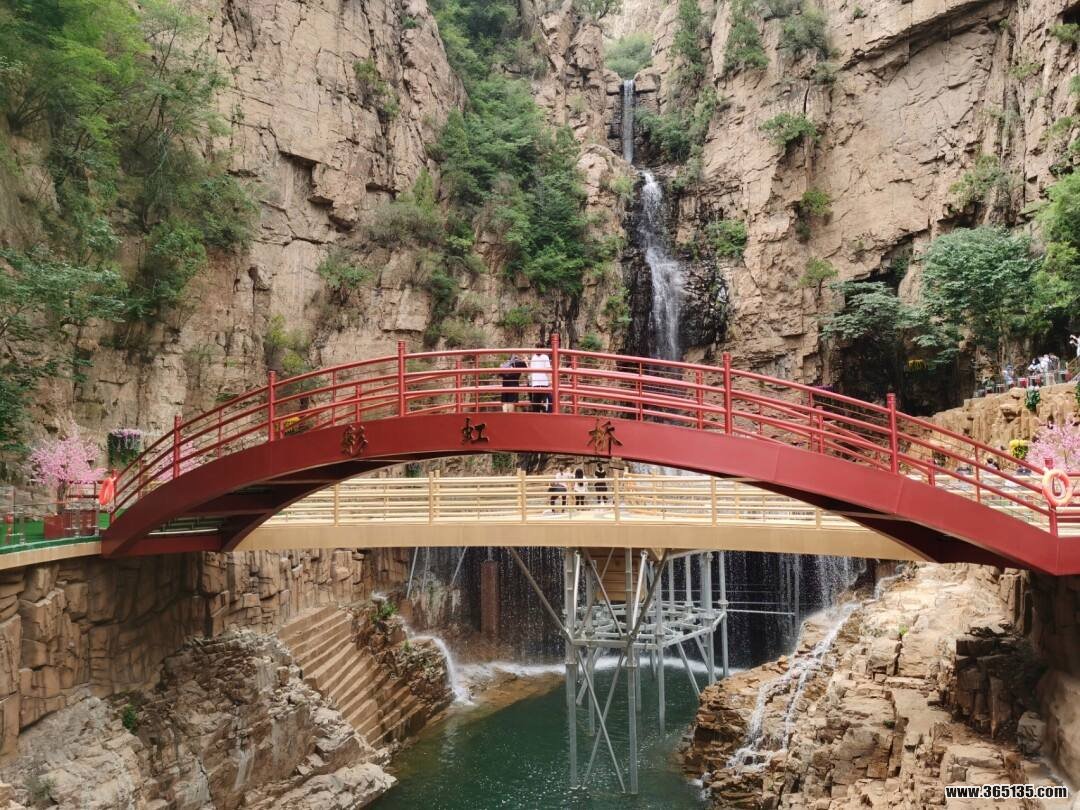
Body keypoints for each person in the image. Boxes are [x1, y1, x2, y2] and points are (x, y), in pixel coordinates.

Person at [529, 349, 552, 413]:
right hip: (542, 382)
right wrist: (550, 380)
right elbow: (548, 370)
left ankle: (536, 415)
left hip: (537, 383)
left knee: (536, 401)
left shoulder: (533, 357)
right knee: (542, 401)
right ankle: (544, 414)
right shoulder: (545, 357)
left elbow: (531, 370)